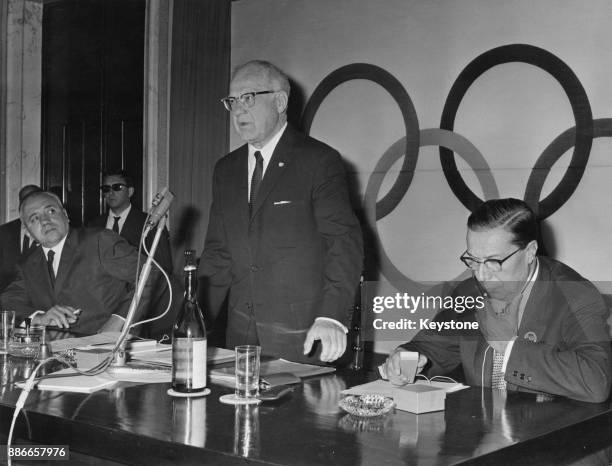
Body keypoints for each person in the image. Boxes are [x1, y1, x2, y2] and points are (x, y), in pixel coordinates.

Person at [199, 60, 363, 363]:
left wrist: (332, 317)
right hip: (240, 339)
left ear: (280, 101)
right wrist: (193, 320)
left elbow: (343, 243)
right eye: (232, 101)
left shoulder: (318, 161)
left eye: (248, 98)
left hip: (303, 336)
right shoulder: (226, 170)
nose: (237, 110)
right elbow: (217, 255)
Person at [380, 198, 611, 402]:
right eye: (473, 260)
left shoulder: (575, 295)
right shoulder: (469, 292)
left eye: (493, 261)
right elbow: (431, 346)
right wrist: (407, 357)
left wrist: (507, 348)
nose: (481, 275)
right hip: (484, 435)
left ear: (530, 251)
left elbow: (596, 381)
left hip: (551, 442)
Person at [1, 191, 158, 334]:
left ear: (65, 214)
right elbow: (8, 302)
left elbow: (149, 273)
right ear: (28, 232)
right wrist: (39, 317)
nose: (45, 221)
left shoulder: (98, 242)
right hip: (56, 353)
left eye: (51, 211)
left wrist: (119, 321)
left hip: (107, 347)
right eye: (34, 218)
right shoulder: (28, 263)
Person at [89, 169, 173, 274]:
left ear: (130, 191)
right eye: (106, 189)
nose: (111, 193)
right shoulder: (93, 227)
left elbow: (164, 270)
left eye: (117, 187)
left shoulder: (150, 225)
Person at [0, 185, 42, 292]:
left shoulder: (50, 230)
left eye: (34, 198)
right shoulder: (4, 232)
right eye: (25, 199)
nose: (29, 204)